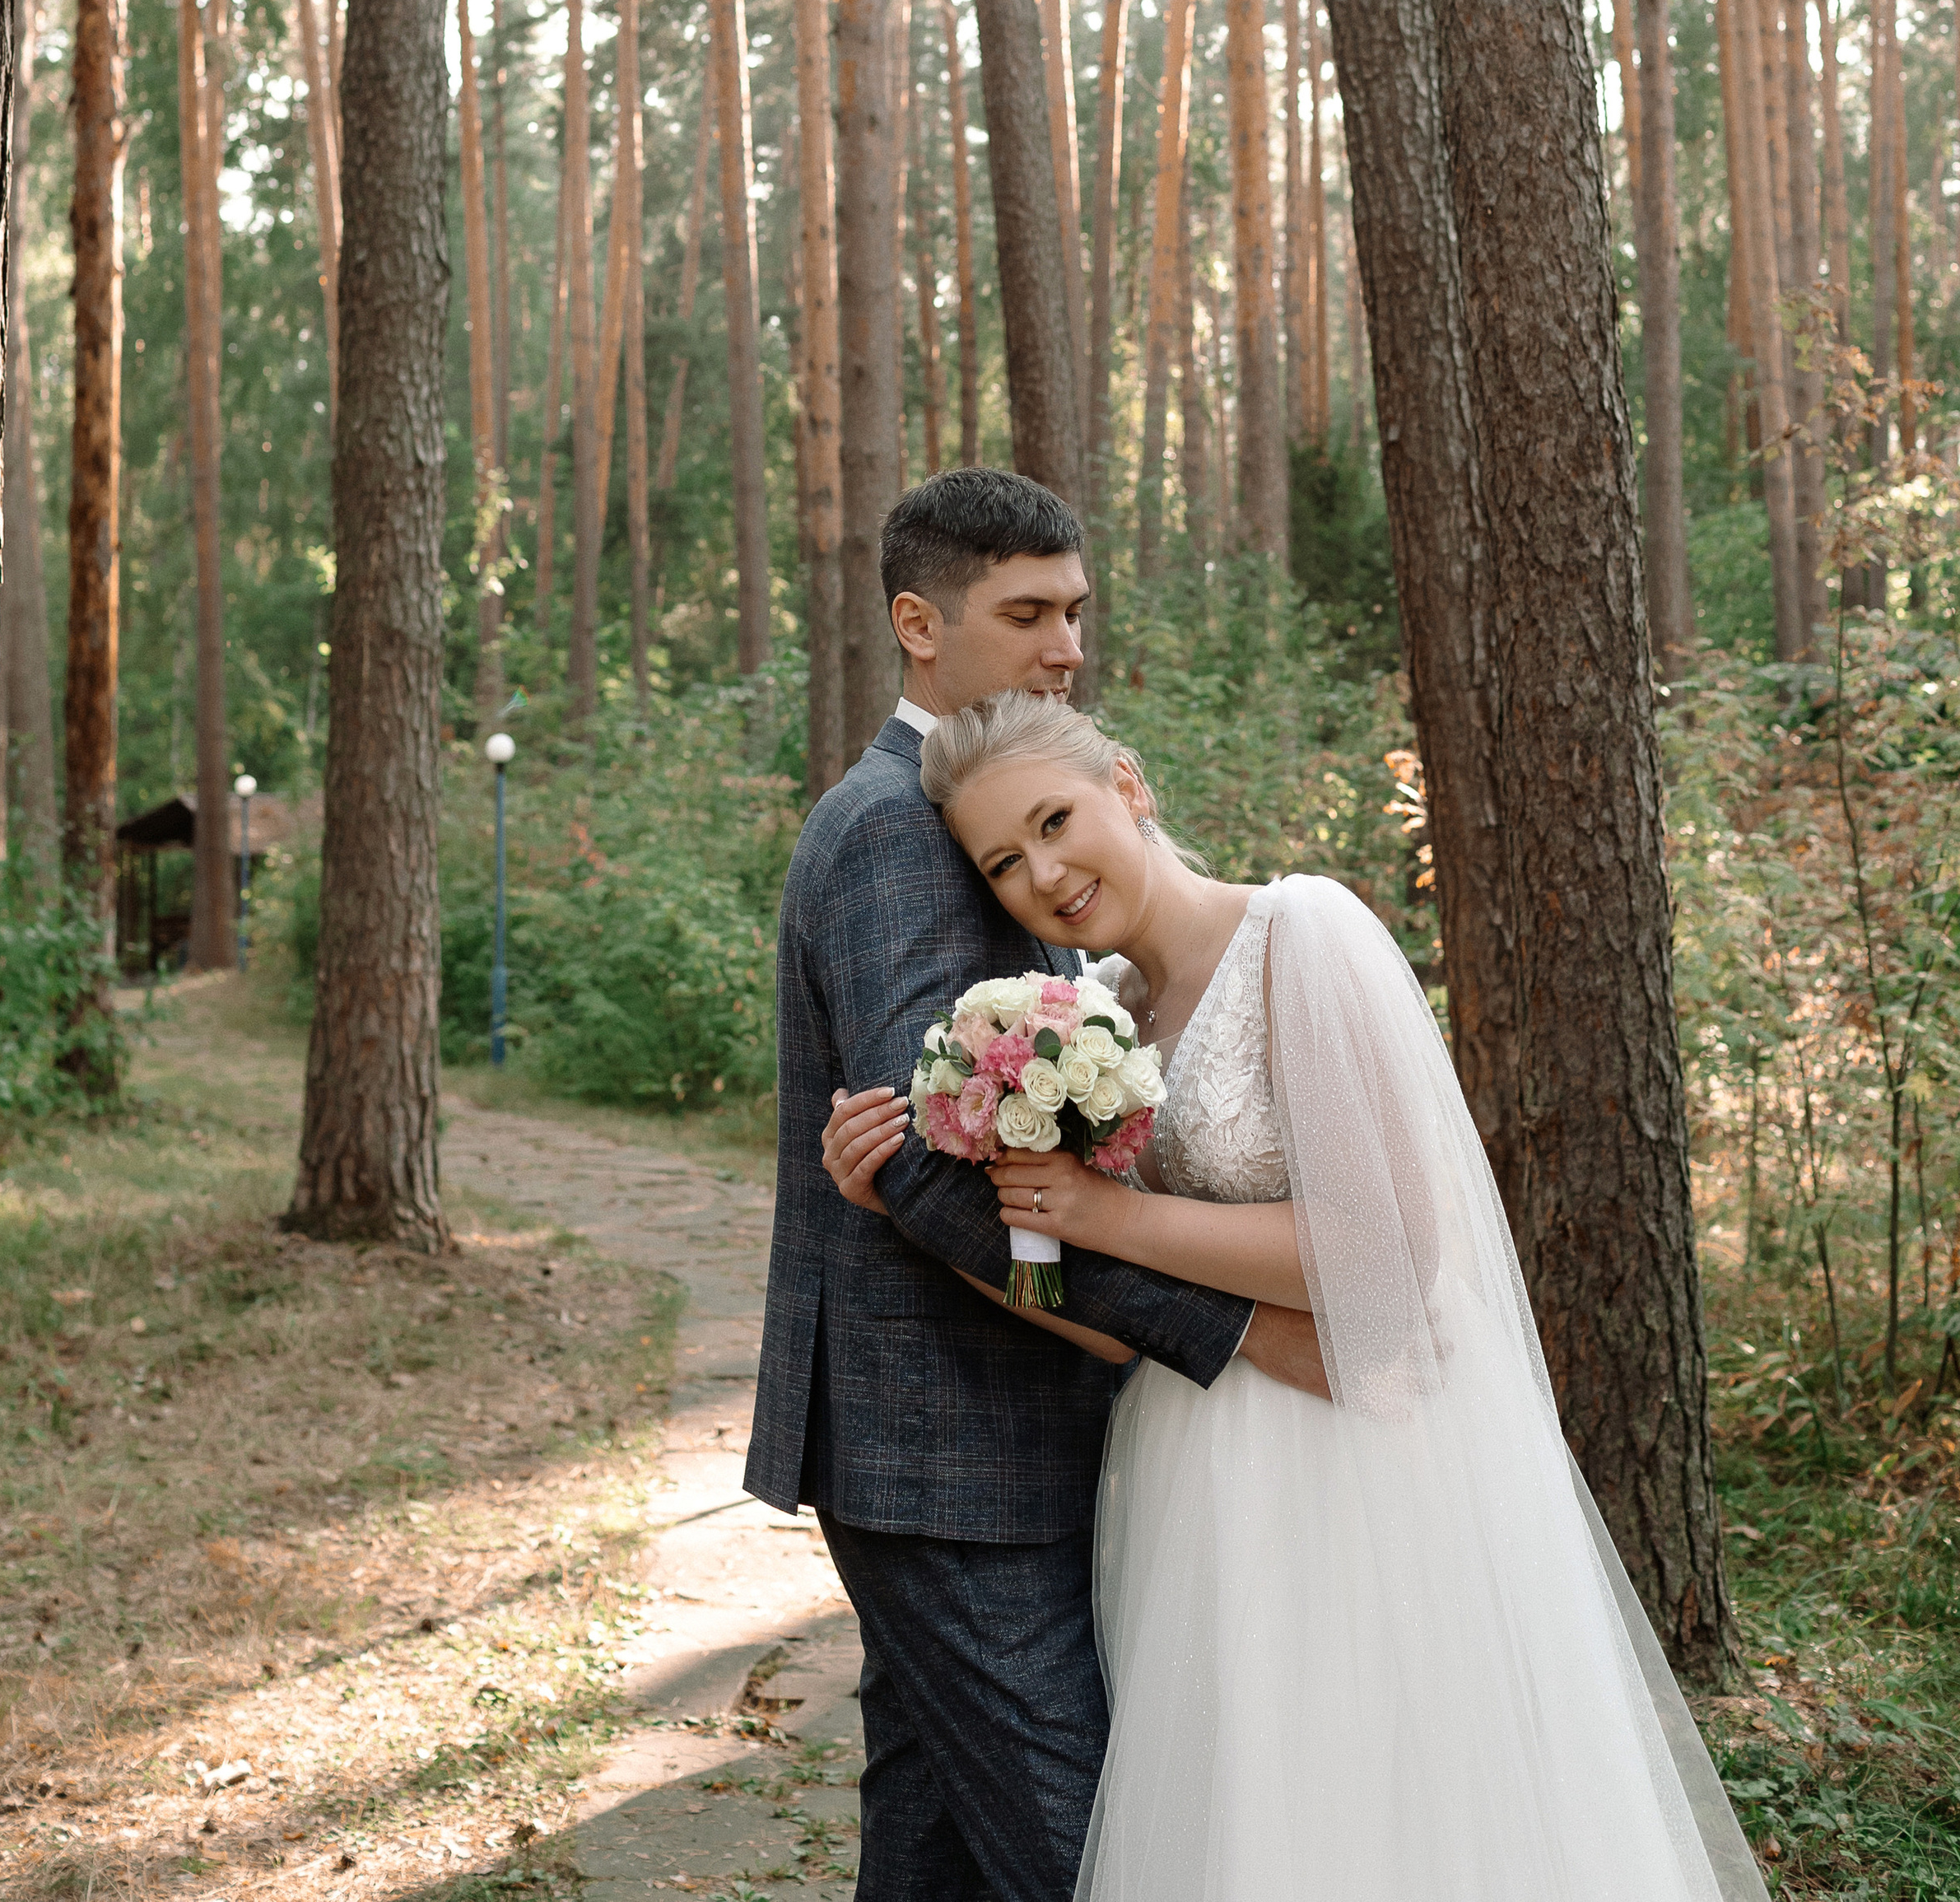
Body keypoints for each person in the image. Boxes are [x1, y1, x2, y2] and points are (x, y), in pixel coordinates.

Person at [822, 690, 1771, 1902]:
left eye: (1057, 820)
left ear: (1128, 783)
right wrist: (899, 1204)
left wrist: (1112, 1213)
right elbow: (1102, 1314)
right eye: (1004, 861)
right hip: (1200, 1458)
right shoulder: (1090, 1017)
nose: (1044, 874)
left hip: (1371, 1451)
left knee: (1400, 1797)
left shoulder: (1300, 934)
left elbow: (1387, 1248)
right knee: (1257, 1814)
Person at [746, 469, 1325, 1902]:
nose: (1069, 642)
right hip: (948, 1437)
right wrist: (1211, 1331)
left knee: (938, 1838)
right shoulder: (896, 824)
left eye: (1075, 608)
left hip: (980, 1428)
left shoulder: (980, 809)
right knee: (1088, 1857)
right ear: (918, 625)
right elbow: (938, 1169)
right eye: (1029, 612)